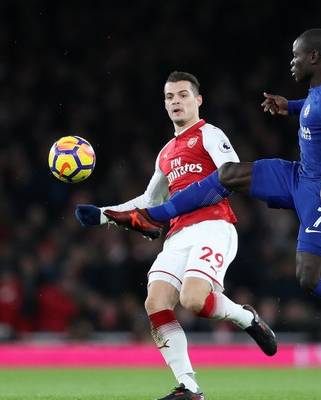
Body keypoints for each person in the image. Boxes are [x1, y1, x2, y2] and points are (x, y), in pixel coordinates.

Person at [103, 29, 321, 369]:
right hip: (298, 175)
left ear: (314, 58)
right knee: (228, 173)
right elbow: (316, 108)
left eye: (295, 56)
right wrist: (291, 107)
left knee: (310, 278)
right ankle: (155, 216)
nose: (291, 62)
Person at [75, 71, 277, 400]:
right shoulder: (166, 152)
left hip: (214, 225)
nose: (175, 102)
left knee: (194, 301)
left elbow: (232, 172)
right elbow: (149, 202)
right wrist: (103, 215)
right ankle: (189, 386)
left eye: (182, 95)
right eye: (170, 97)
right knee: (155, 302)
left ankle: (246, 317)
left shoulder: (210, 134)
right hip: (177, 234)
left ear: (197, 100)